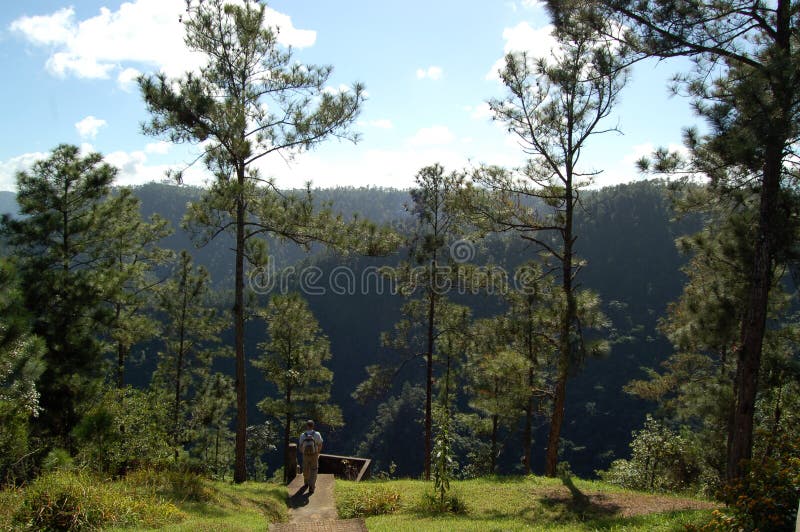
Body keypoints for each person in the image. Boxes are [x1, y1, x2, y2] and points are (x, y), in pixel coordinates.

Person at [298, 420, 323, 494]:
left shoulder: (302, 435)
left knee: (305, 468)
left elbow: (300, 446)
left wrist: (303, 452)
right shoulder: (317, 434)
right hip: (314, 454)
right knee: (314, 469)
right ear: (313, 426)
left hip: (305, 455)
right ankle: (311, 486)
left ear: (307, 426)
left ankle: (306, 481)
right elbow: (320, 444)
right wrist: (318, 452)